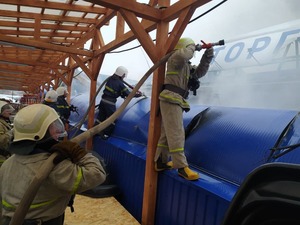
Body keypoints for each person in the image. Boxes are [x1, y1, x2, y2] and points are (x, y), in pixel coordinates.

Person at [0, 104, 106, 224]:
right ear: (42, 133)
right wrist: (78, 152)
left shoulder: (8, 163)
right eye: (53, 126)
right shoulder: (54, 167)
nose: (58, 130)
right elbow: (97, 174)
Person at [154, 37, 214, 181]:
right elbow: (183, 55)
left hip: (176, 99)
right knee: (177, 133)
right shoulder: (175, 58)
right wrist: (193, 46)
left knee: (167, 133)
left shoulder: (186, 66)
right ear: (185, 47)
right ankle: (181, 167)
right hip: (171, 98)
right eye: (189, 47)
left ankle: (160, 161)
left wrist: (208, 53)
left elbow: (200, 72)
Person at [94, 66, 142, 140]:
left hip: (103, 100)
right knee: (112, 119)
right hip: (110, 103)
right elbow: (128, 94)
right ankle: (105, 133)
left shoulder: (110, 79)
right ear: (122, 74)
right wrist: (138, 95)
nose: (124, 77)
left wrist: (121, 94)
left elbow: (115, 90)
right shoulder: (120, 83)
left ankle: (94, 131)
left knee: (101, 117)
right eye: (124, 75)